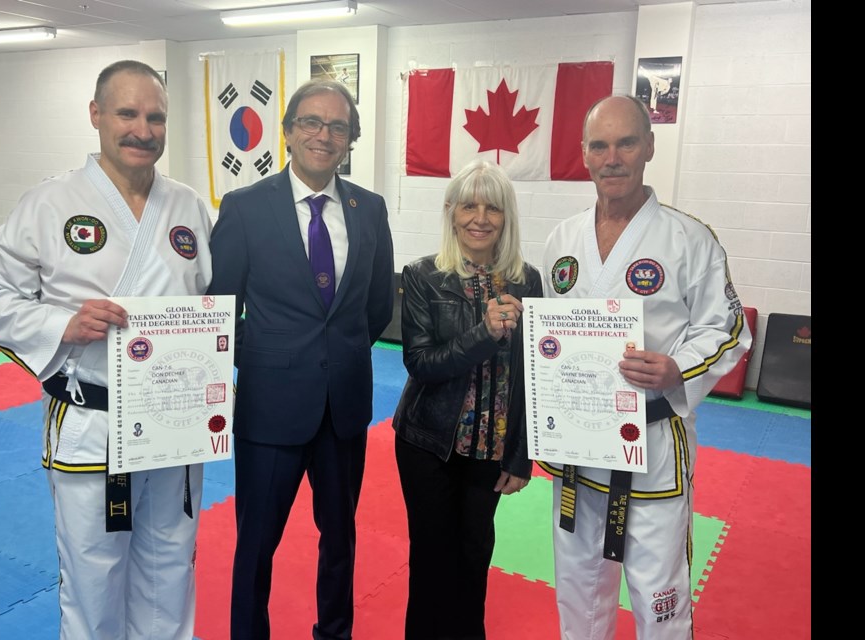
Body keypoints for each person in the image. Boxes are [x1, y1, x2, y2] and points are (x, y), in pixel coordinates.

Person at [0, 60, 211, 640]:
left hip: (173, 421)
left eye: (155, 116)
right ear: (96, 115)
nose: (143, 130)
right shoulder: (51, 203)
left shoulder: (190, 207)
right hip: (90, 422)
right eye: (127, 113)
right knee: (94, 576)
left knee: (171, 567)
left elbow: (211, 301)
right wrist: (61, 323)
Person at [539, 95, 752, 640]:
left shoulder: (688, 239)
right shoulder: (562, 240)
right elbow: (549, 347)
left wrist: (677, 367)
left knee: (660, 597)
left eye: (626, 142)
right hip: (580, 450)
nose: (613, 157)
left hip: (653, 445)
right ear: (584, 156)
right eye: (599, 145)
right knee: (579, 589)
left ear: (650, 147)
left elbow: (728, 328)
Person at [206, 79, 394, 640]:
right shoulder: (244, 209)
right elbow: (220, 310)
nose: (324, 135)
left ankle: (334, 632)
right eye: (311, 122)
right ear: (287, 132)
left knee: (340, 541)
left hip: (344, 409)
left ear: (350, 140)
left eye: (338, 126)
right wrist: (271, 358)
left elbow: (377, 308)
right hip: (270, 409)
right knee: (257, 543)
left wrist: (336, 358)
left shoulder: (369, 208)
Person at [392, 159, 543, 640]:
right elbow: (421, 364)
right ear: (451, 212)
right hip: (428, 442)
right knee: (432, 561)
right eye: (469, 205)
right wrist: (484, 333)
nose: (480, 217)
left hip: (491, 448)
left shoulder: (528, 282)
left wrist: (522, 456)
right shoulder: (422, 276)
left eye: (492, 207)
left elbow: (532, 376)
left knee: (474, 558)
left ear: (507, 217)